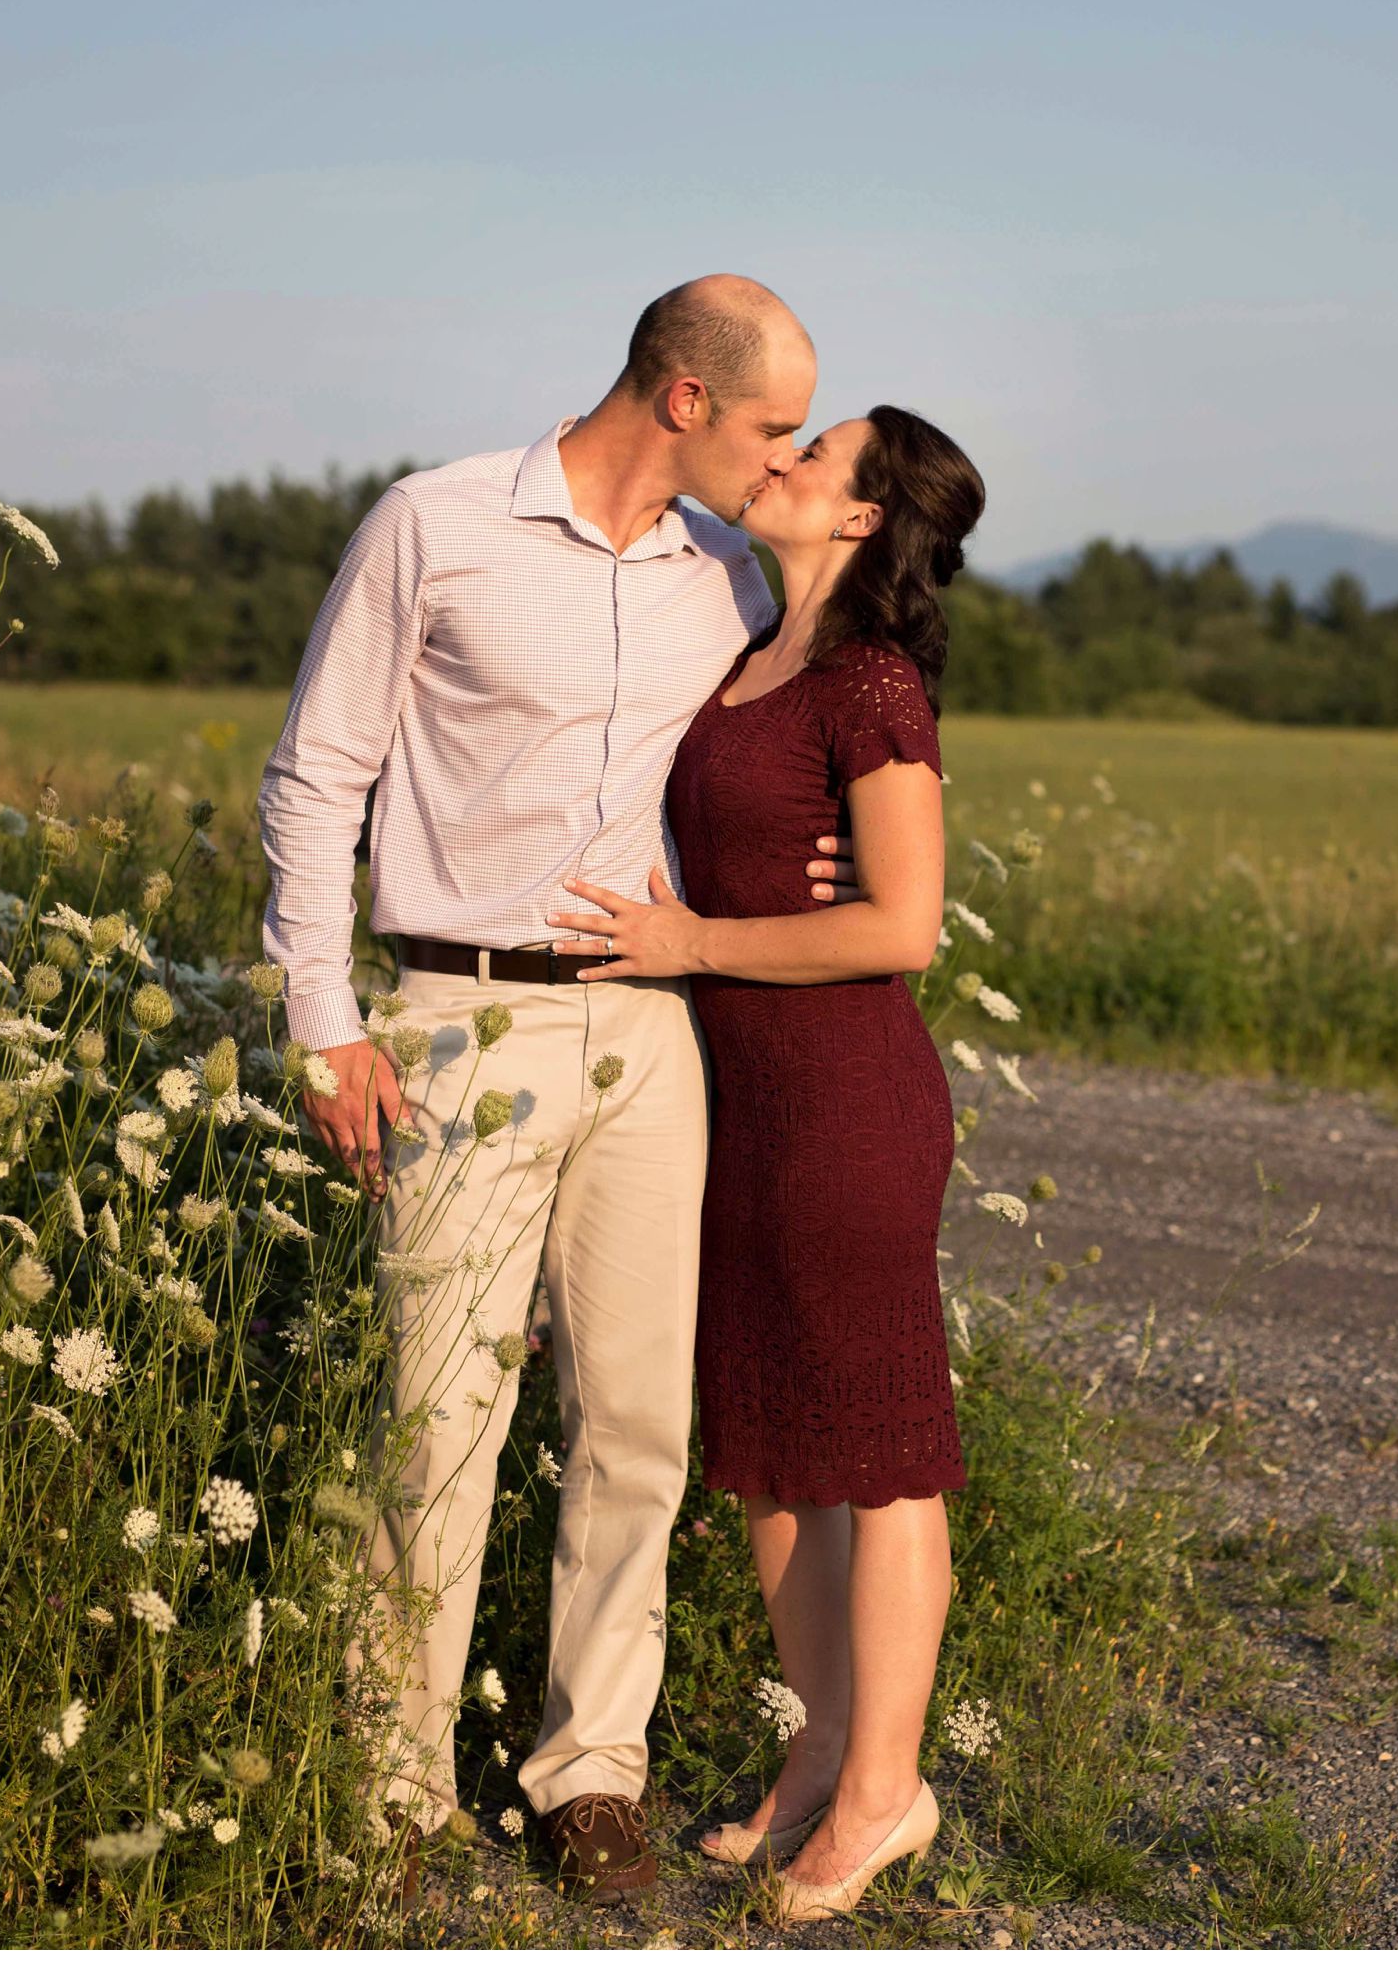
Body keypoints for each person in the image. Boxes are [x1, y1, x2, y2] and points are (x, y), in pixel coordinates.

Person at [256, 276, 861, 1899]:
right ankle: (388, 1785)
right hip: (459, 1019)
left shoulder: (729, 576)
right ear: (679, 397)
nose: (782, 457)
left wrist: (821, 858)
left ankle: (589, 1769)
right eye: (768, 427)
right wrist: (326, 1022)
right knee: (438, 1416)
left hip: (648, 1034)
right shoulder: (434, 524)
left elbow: (788, 744)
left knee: (639, 1424)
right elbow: (321, 772)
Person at [547, 403, 986, 1923]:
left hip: (847, 1107)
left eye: (820, 454)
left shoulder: (872, 685)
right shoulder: (743, 646)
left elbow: (903, 924)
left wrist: (692, 941)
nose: (784, 459)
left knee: (878, 1456)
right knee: (770, 1452)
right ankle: (817, 1755)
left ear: (862, 519)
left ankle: (887, 1789)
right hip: (729, 1097)